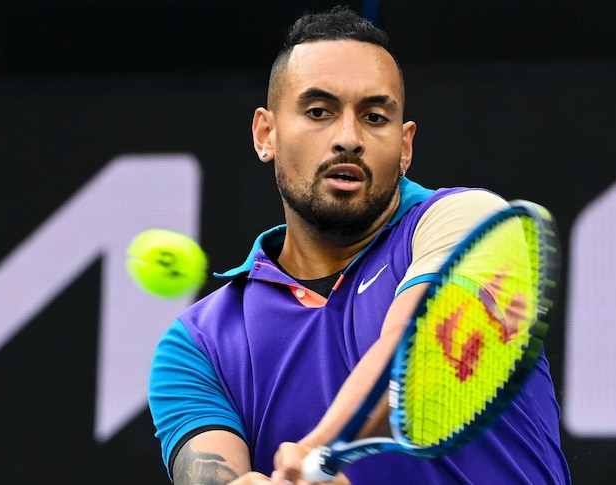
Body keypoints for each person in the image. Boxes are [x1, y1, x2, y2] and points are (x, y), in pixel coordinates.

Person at [148, 5, 571, 484]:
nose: (348, 138)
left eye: (374, 116)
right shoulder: (198, 345)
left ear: (405, 145)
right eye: (318, 112)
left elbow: (411, 349)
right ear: (266, 134)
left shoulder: (471, 223)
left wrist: (315, 449)